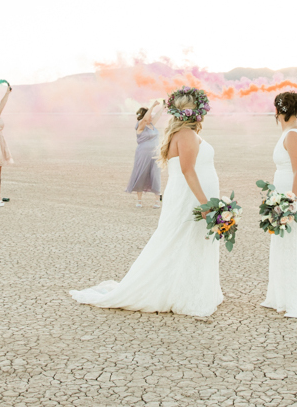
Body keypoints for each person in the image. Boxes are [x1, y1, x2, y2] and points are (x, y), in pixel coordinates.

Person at [70, 87, 223, 317]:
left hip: (186, 195)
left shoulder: (183, 133)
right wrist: (205, 204)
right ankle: (184, 292)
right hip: (190, 198)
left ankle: (189, 289)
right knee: (181, 240)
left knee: (186, 242)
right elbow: (188, 170)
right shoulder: (187, 135)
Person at [262, 91, 297, 318]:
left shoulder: (294, 134)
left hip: (294, 198)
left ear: (279, 110)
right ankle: (280, 296)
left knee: (294, 246)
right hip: (284, 196)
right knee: (282, 245)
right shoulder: (289, 130)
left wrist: (289, 202)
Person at [125, 99, 163, 208]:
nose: (151, 117)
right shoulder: (141, 125)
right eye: (149, 115)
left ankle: (157, 201)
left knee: (155, 175)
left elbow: (158, 116)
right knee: (142, 174)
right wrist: (153, 106)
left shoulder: (152, 125)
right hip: (143, 154)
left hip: (155, 153)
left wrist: (163, 107)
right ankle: (139, 200)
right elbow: (146, 117)